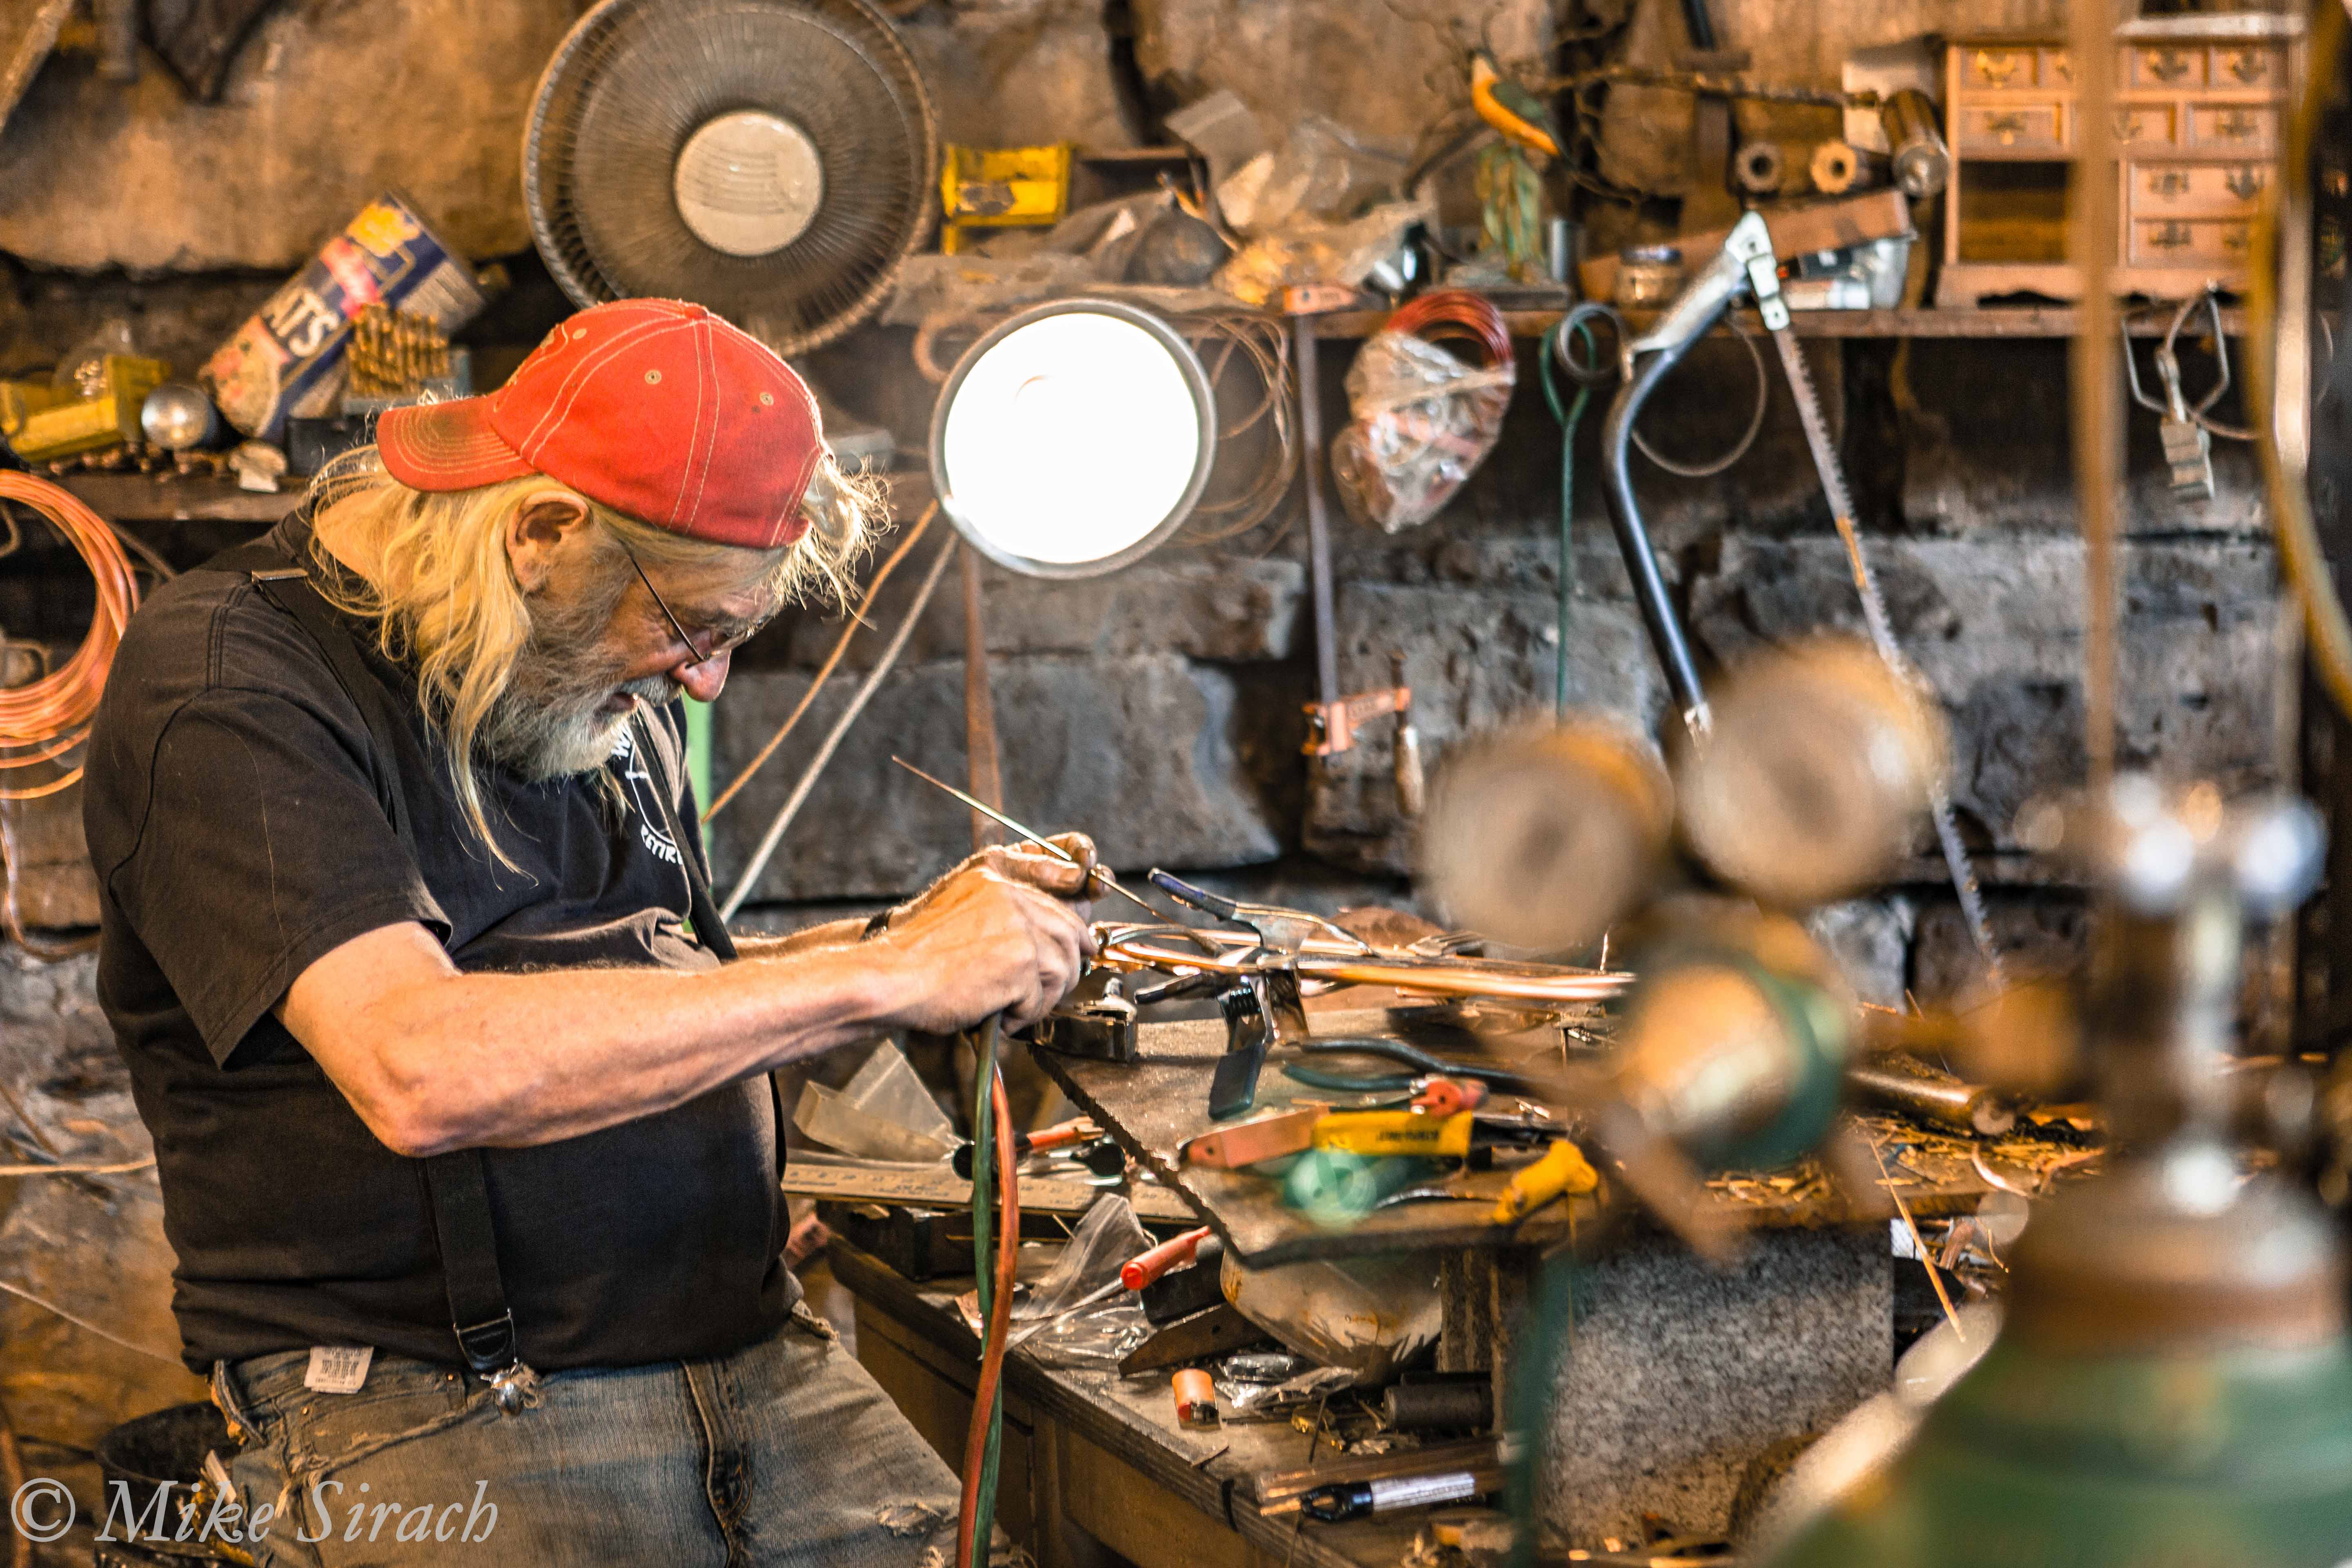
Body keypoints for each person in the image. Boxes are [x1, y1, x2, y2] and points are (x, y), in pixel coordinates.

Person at [83, 297, 1093, 1565]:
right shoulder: (232, 684)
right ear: (543, 531)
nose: (703, 681)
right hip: (434, 1395)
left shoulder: (585, 684)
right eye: (692, 629)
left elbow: (668, 984)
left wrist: (918, 947)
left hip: (746, 1349)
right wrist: (881, 973)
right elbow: (420, 1064)